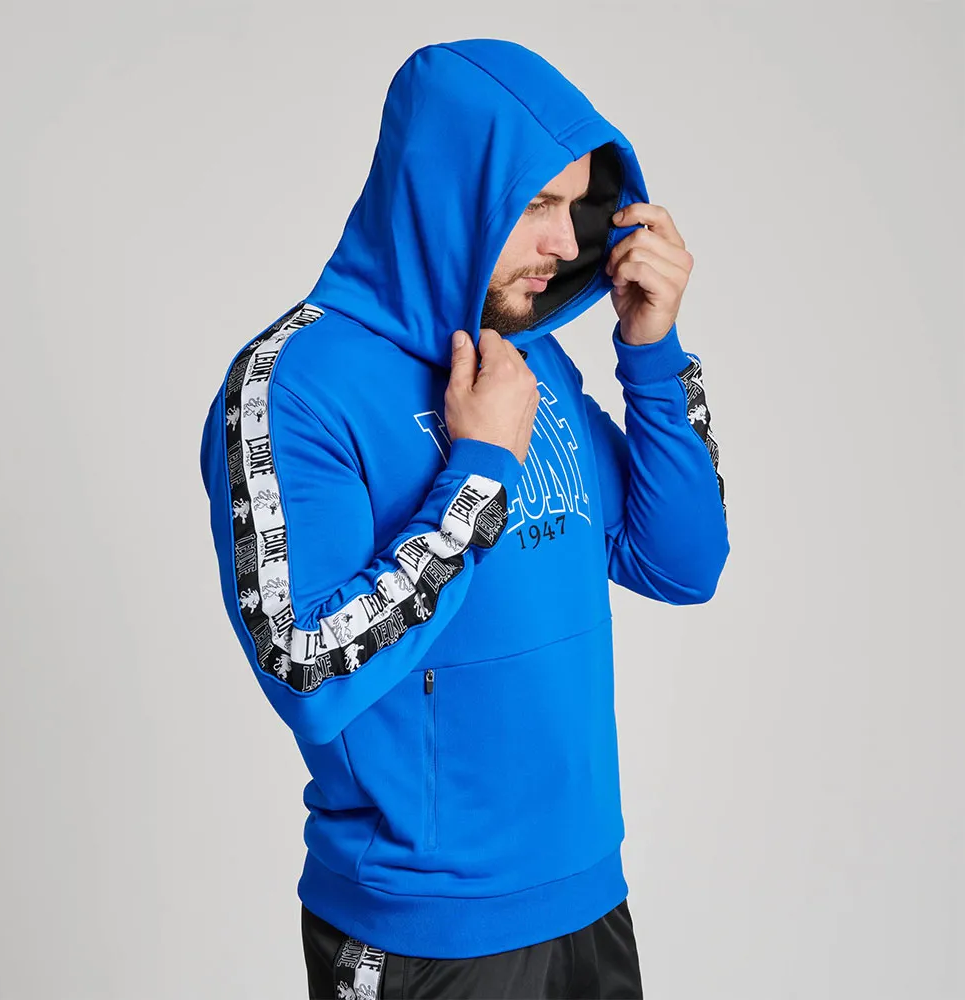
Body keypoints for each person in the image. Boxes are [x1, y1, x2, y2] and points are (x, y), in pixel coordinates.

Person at [199, 36, 729, 1000]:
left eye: (577, 208)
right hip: (422, 935)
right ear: (449, 191)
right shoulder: (293, 387)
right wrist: (477, 471)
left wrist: (652, 352)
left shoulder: (527, 361)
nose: (565, 245)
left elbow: (681, 564)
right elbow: (306, 671)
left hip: (588, 906)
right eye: (536, 206)